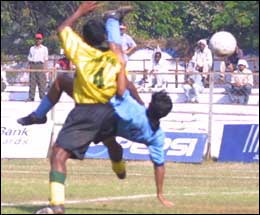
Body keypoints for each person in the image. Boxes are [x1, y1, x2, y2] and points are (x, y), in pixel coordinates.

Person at [18, 3, 173, 213]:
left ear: (85, 40)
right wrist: (114, 21)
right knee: (64, 83)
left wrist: (80, 12)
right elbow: (123, 85)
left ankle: (56, 207)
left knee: (58, 155)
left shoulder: (82, 52)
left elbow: (62, 29)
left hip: (87, 110)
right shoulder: (116, 56)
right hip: (109, 112)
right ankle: (118, 168)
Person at [27, 33, 49, 101]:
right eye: (37, 39)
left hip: (40, 65)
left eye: (39, 39)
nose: (38, 40)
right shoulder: (32, 48)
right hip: (33, 65)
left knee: (42, 82)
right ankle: (31, 97)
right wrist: (29, 67)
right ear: (35, 39)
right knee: (32, 82)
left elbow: (46, 59)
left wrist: (46, 68)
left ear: (42, 40)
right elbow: (29, 58)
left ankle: (42, 97)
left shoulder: (44, 48)